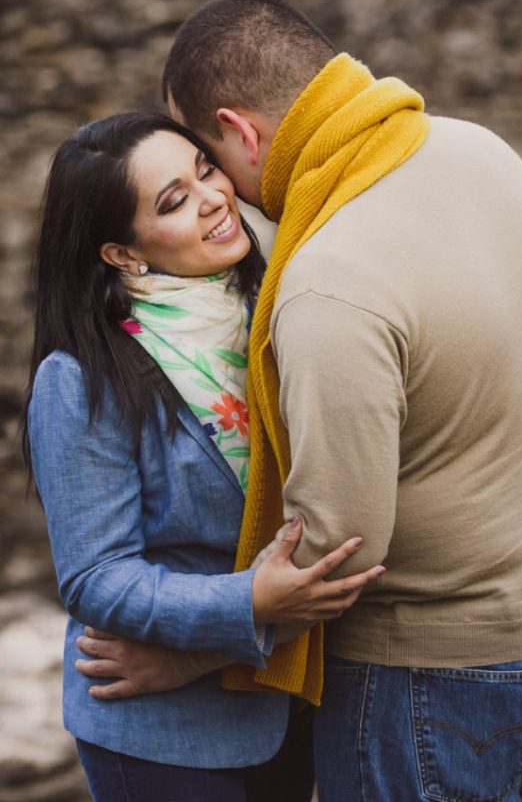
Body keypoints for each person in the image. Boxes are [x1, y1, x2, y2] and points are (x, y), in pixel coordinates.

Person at [80, 0, 522, 802]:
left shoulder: (329, 284)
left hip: (442, 680)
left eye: (207, 156)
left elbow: (338, 552)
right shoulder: (478, 149)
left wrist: (192, 658)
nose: (218, 191)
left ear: (240, 133)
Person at [21, 110, 386, 802]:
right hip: (162, 734)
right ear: (122, 253)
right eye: (173, 200)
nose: (214, 197)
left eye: (206, 169)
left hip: (287, 697)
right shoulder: (80, 376)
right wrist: (249, 601)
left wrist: (207, 650)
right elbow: (97, 577)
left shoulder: (276, 306)